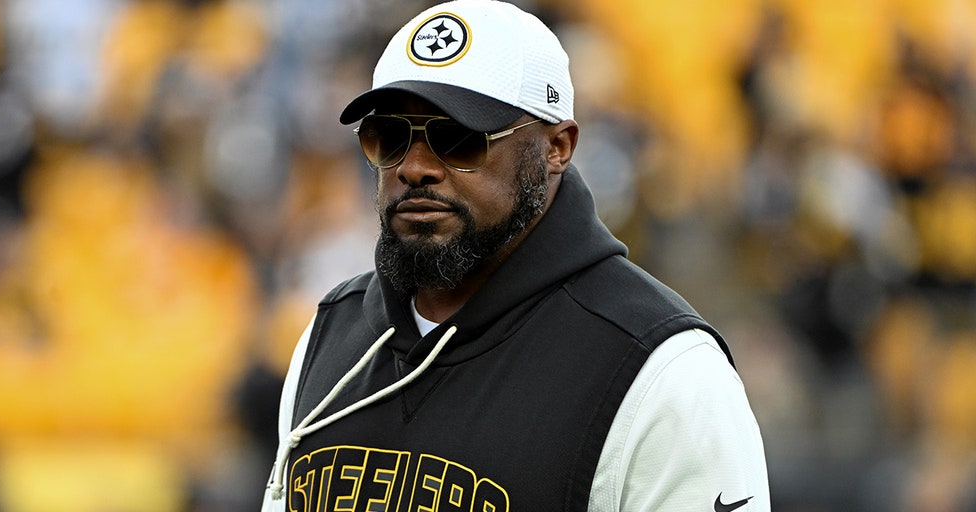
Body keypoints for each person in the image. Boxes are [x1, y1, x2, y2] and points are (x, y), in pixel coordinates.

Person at [261, 1, 770, 510]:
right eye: (389, 137)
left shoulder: (659, 369)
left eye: (457, 137)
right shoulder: (333, 333)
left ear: (557, 147)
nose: (414, 167)